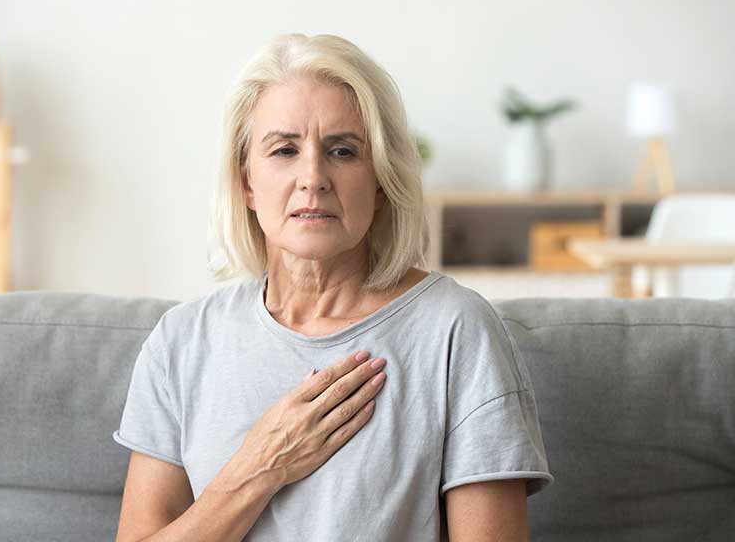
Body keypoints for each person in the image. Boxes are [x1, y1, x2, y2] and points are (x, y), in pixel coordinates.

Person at [112, 33, 554, 542]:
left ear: (382, 180)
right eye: (284, 150)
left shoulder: (456, 331)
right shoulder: (181, 342)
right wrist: (257, 470)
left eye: (342, 151)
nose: (313, 177)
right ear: (247, 184)